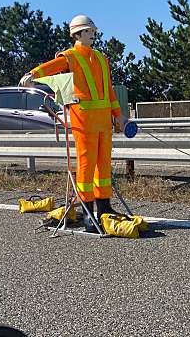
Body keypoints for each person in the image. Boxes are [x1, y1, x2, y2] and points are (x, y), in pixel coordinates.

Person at [19, 15, 127, 231]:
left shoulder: (101, 59)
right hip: (83, 121)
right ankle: (88, 213)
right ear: (77, 34)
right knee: (86, 166)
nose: (93, 34)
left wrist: (119, 114)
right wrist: (33, 74)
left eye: (93, 31)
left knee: (104, 165)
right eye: (88, 31)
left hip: (104, 121)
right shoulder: (70, 57)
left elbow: (110, 91)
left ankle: (104, 208)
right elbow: (52, 66)